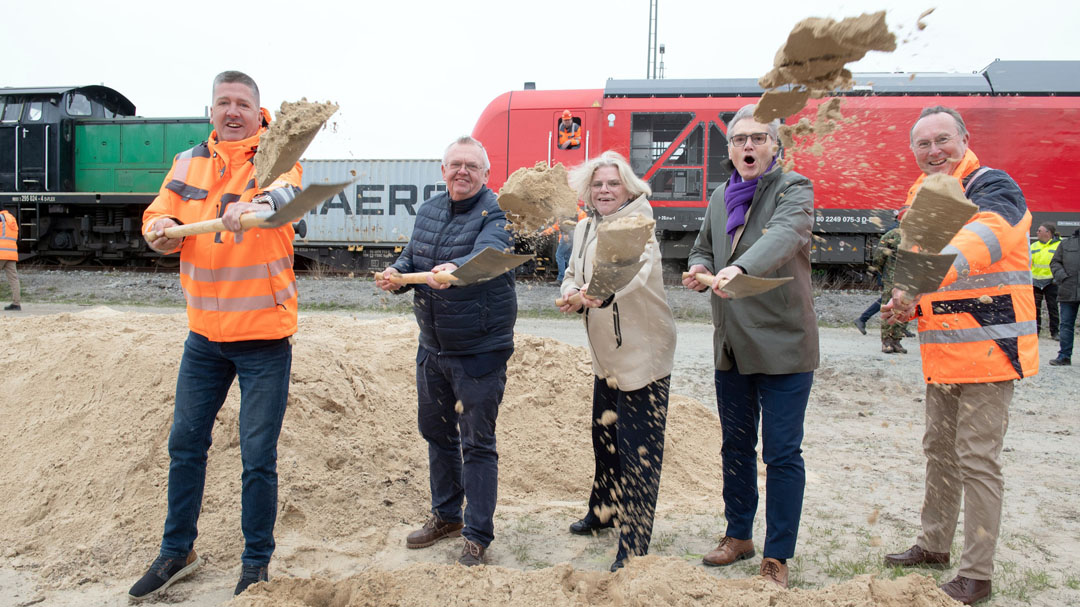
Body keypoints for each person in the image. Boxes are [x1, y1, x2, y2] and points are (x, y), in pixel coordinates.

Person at [129, 71, 304, 601]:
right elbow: (160, 213)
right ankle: (177, 551)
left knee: (257, 455)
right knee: (185, 445)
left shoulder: (277, 155)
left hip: (263, 338)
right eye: (223, 103)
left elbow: (285, 197)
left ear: (259, 112)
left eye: (242, 104)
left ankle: (255, 565)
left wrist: (250, 210)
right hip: (204, 336)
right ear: (211, 110)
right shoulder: (187, 162)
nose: (232, 112)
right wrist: (156, 233)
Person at [882, 106, 1037, 606]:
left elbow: (982, 240)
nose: (934, 152)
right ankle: (933, 545)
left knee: (977, 461)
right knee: (939, 454)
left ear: (965, 140)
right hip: (944, 355)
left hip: (991, 351)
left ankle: (977, 573)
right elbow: (915, 267)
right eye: (923, 144)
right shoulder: (920, 197)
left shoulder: (994, 187)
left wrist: (921, 280)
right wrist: (903, 302)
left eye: (943, 140)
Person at [683, 104, 818, 589]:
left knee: (781, 454)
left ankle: (777, 555)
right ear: (730, 150)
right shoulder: (721, 196)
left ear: (775, 146)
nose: (748, 146)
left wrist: (739, 268)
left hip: (784, 346)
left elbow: (784, 236)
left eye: (758, 138)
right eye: (739, 139)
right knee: (736, 447)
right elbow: (702, 246)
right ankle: (738, 536)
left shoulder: (794, 189)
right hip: (732, 346)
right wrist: (699, 270)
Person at [375, 136, 516, 567]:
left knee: (477, 443)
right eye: (455, 164)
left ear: (486, 174)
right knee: (438, 435)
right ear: (443, 170)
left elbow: (486, 255)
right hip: (432, 346)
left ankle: (477, 535)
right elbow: (412, 255)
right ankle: (447, 516)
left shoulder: (499, 212)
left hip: (479, 350)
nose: (462, 172)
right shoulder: (430, 210)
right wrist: (398, 273)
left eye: (472, 166)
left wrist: (454, 269)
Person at [557, 151, 676, 572]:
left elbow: (633, 275)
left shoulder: (638, 224)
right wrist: (572, 290)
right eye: (598, 184)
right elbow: (572, 272)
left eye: (613, 183)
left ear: (628, 187)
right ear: (588, 190)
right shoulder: (586, 227)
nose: (604, 190)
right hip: (605, 355)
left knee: (637, 450)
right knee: (605, 440)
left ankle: (635, 540)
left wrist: (597, 294)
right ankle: (604, 512)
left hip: (643, 354)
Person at [871, 207, 911, 354]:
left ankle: (887, 342)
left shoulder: (891, 235)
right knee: (904, 309)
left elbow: (878, 258)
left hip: (892, 279)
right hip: (909, 280)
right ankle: (896, 342)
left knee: (889, 309)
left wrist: (882, 272)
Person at [1050, 227, 1079, 366]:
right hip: (1068, 290)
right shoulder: (1066, 243)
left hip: (1068, 289)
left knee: (1066, 324)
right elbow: (1055, 262)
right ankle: (1064, 356)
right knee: (1066, 324)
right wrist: (1062, 278)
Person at [1031, 223, 1061, 340]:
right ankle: (1036, 331)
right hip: (1036, 282)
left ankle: (1054, 332)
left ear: (1048, 233)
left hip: (1051, 282)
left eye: (1039, 230)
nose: (1037, 232)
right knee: (1035, 309)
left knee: (1052, 307)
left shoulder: (1059, 245)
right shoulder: (1034, 246)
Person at [0, 208, 19, 311]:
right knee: (13, 279)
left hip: (1, 252)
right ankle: (16, 303)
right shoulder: (11, 218)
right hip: (11, 253)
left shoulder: (0, 218)